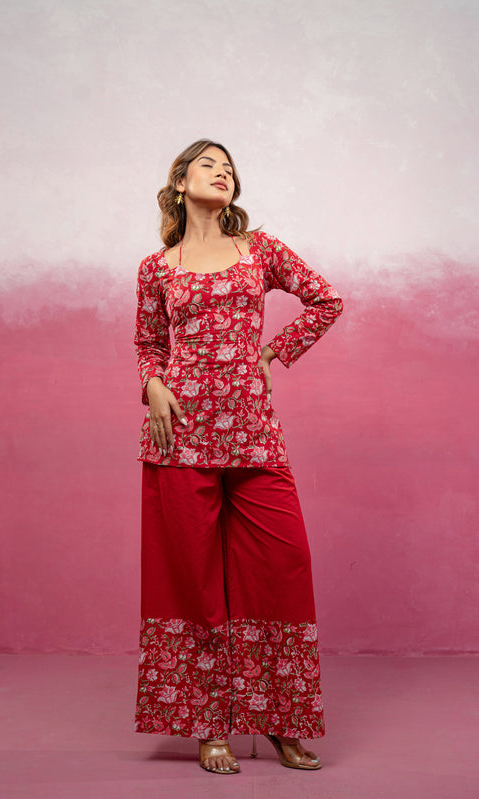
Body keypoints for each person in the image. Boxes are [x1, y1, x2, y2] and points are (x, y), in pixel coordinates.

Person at [133, 138, 343, 775]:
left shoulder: (260, 250)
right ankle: (208, 725)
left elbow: (326, 299)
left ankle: (279, 718)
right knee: (192, 583)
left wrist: (273, 353)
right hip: (180, 437)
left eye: (229, 168)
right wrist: (152, 384)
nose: (222, 173)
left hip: (254, 433)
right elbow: (148, 343)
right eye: (209, 164)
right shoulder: (157, 267)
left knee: (283, 567)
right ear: (180, 181)